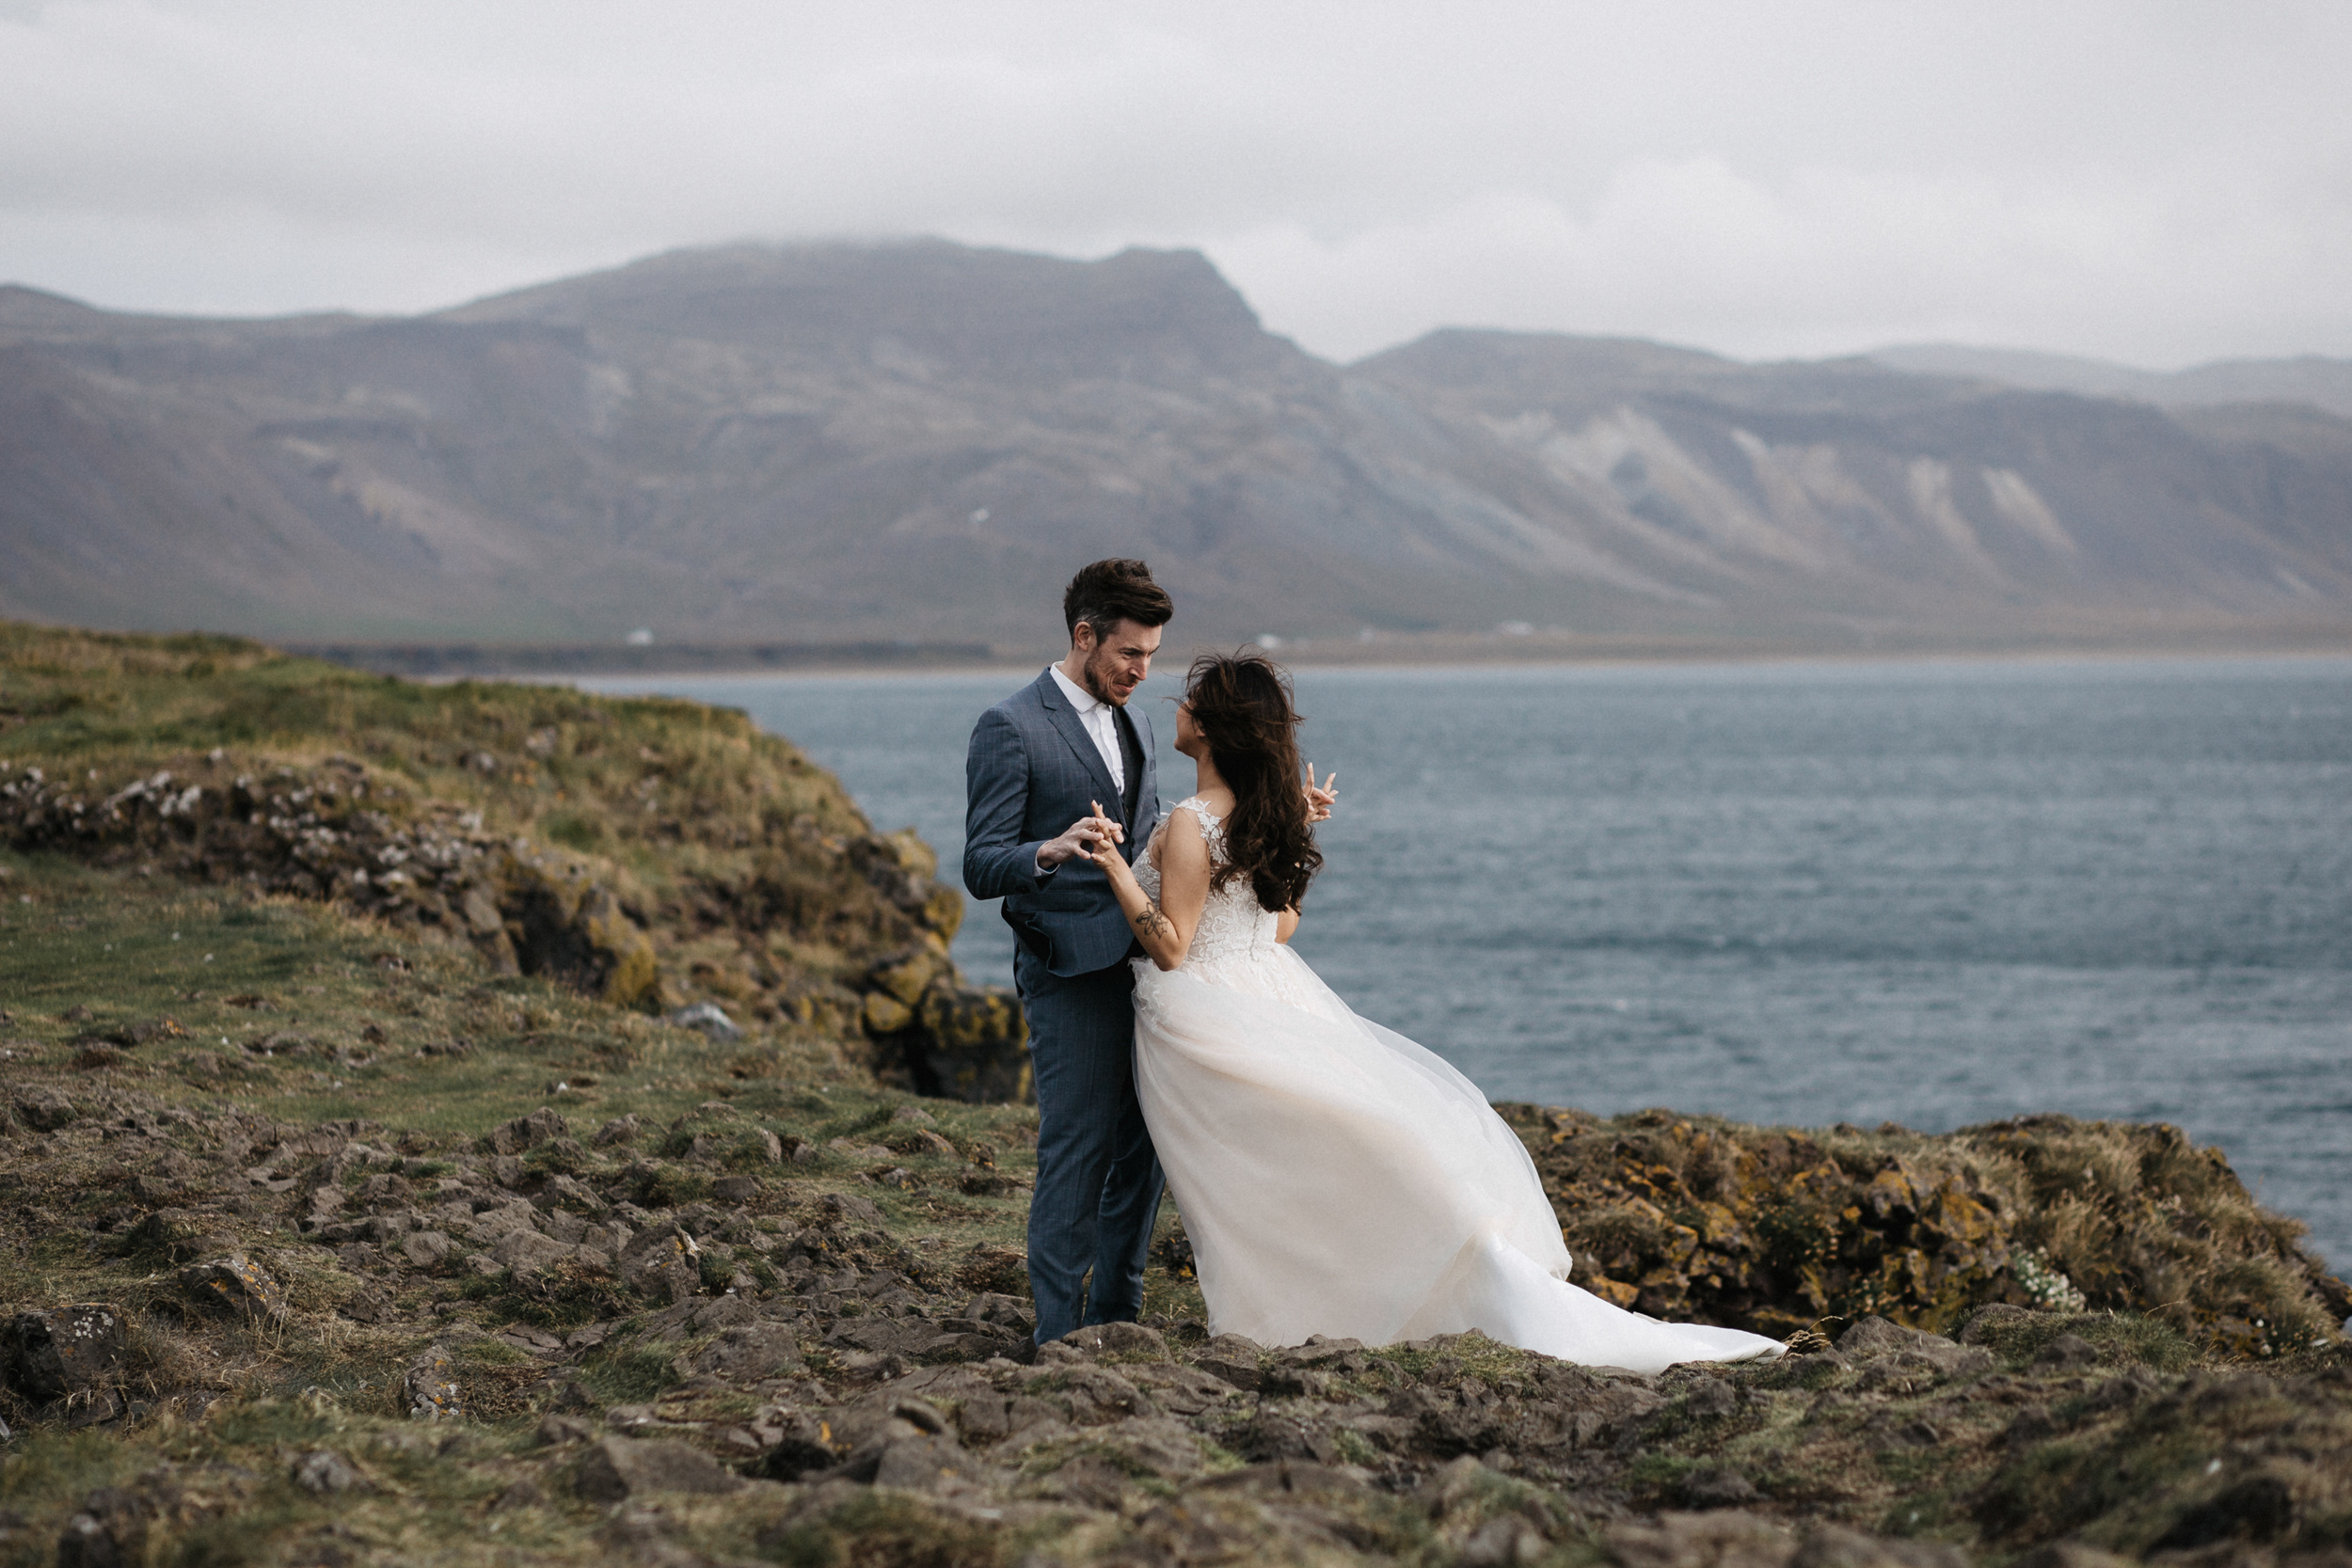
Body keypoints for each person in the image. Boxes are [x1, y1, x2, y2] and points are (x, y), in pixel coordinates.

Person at [1077, 649, 1783, 1372]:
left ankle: (1293, 1309)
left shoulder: (1195, 822)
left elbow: (1171, 947)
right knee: (1298, 1161)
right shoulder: (1267, 816)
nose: (1179, 707)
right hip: (1275, 992)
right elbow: (1277, 927)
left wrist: (1113, 872)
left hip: (1212, 1013)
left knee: (1254, 1179)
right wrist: (1296, 825)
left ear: (1218, 727)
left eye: (1192, 698)